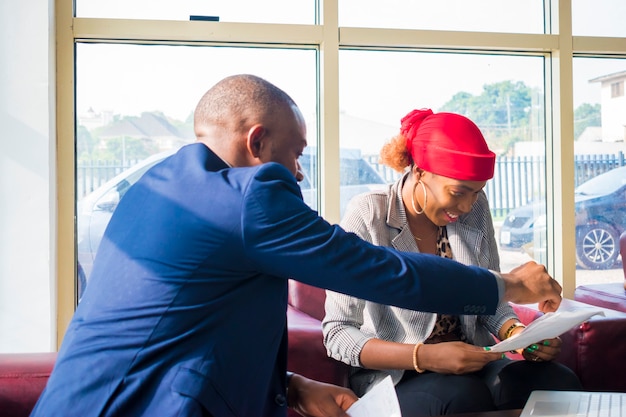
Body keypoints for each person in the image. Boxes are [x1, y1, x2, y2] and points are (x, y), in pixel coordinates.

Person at [31, 76, 562, 417]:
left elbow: (183, 328)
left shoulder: (153, 190)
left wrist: (287, 385)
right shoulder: (250, 196)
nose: (299, 171)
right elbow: (381, 272)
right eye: (296, 152)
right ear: (256, 141)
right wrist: (509, 282)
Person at [322, 108, 582, 416]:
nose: (467, 205)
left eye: (476, 193)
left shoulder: (474, 209)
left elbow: (491, 297)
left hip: (476, 363)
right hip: (399, 375)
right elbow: (338, 333)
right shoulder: (369, 215)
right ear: (420, 172)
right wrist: (425, 357)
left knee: (557, 381)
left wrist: (518, 335)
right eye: (458, 192)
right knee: (462, 395)